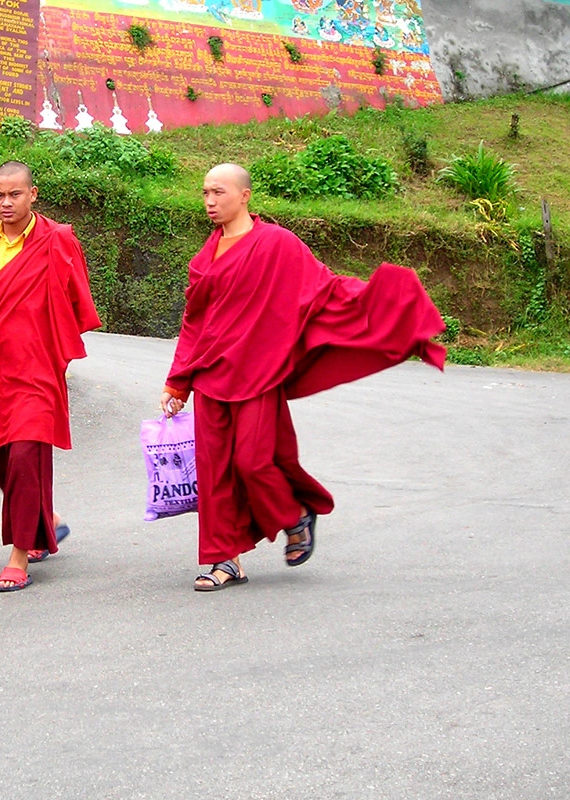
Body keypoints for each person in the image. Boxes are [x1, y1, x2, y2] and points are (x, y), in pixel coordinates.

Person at [161, 163, 446, 591]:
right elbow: (194, 323)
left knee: (252, 462)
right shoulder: (205, 258)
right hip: (210, 376)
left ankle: (295, 515)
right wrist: (177, 381)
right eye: (205, 193)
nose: (210, 201)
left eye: (219, 192)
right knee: (214, 471)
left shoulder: (277, 243)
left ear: (245, 195)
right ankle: (225, 561)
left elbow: (322, 288)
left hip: (259, 373)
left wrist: (383, 304)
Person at [0, 161, 102, 592]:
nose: (6, 203)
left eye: (15, 194)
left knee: (25, 454)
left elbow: (76, 298)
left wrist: (51, 340)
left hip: (36, 368)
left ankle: (20, 554)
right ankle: (46, 519)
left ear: (32, 194)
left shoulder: (56, 240)